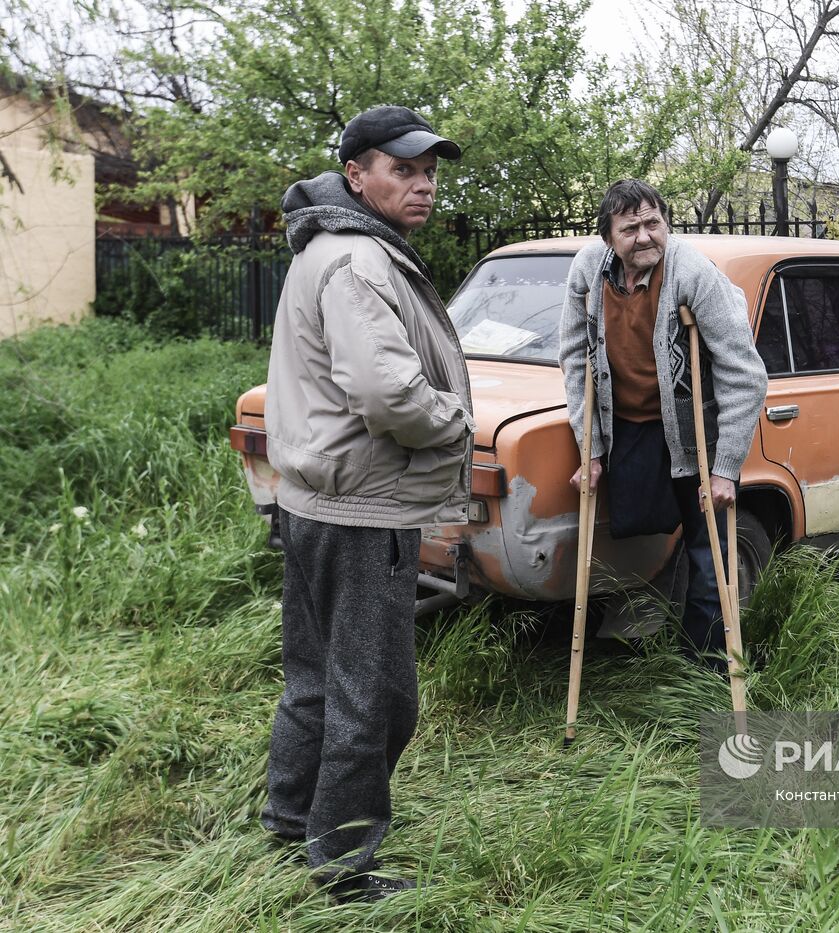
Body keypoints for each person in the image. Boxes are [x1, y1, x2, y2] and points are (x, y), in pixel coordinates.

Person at [260, 105, 473, 902]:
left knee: (315, 678)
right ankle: (344, 866)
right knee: (374, 696)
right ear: (356, 176)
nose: (423, 185)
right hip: (362, 511)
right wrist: (456, 418)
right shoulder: (357, 259)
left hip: (316, 500)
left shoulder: (332, 248)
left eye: (429, 172)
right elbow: (388, 394)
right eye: (403, 169)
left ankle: (291, 819)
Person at [558, 179, 767, 669]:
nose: (645, 236)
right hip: (629, 429)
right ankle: (633, 643)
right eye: (630, 229)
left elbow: (744, 373)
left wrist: (725, 468)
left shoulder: (692, 272)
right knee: (636, 532)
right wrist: (589, 449)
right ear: (607, 238)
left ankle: (707, 667)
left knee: (709, 549)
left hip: (694, 433)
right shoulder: (588, 269)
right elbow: (573, 356)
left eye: (653, 223)